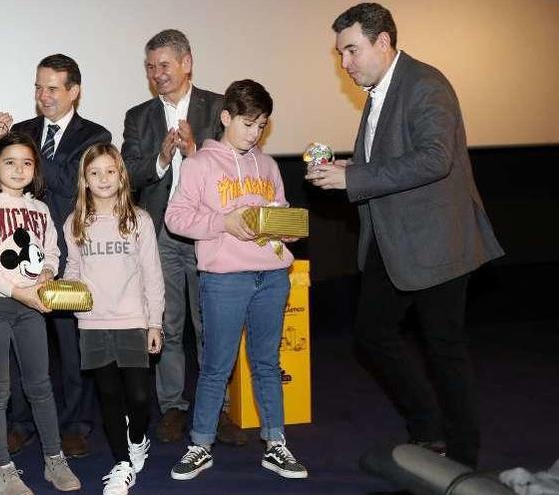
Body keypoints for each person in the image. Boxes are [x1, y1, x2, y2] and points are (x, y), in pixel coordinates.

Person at [307, 3, 504, 468]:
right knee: (372, 335)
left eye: (352, 51)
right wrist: (349, 168)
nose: (345, 63)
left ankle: (462, 460)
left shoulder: (425, 84)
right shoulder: (379, 90)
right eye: (340, 55)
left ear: (383, 42)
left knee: (444, 349)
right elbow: (392, 157)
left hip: (436, 241)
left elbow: (436, 159)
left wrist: (353, 180)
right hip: (391, 240)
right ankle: (428, 427)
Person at [164, 79, 309, 481]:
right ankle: (200, 445)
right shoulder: (200, 164)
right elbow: (175, 218)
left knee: (267, 363)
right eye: (248, 123)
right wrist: (222, 222)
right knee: (216, 366)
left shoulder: (268, 165)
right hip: (225, 279)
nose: (254, 132)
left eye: (261, 125)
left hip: (274, 275)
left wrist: (286, 226)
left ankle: (275, 443)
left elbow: (276, 213)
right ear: (225, 117)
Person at [122, 28, 245, 446]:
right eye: (150, 67)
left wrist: (194, 154)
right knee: (168, 326)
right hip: (161, 236)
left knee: (211, 326)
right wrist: (161, 156)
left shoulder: (218, 109)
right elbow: (128, 173)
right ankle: (173, 407)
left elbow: (236, 169)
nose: (157, 74)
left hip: (212, 234)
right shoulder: (139, 117)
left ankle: (219, 408)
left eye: (165, 65)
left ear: (187, 62)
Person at [0, 54, 111, 457]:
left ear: (74, 91)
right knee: (21, 341)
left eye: (52, 88)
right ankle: (20, 421)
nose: (43, 96)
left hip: (73, 253)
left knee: (73, 343)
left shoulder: (95, 136)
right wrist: (0, 149)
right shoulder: (22, 131)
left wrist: (22, 155)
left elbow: (67, 180)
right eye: (38, 87)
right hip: (21, 251)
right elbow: (0, 182)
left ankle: (75, 423)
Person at [0, 132, 81, 495]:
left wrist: (47, 272)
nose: (18, 169)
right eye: (9, 162)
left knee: (41, 386)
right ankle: (2, 469)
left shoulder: (40, 210)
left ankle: (54, 458)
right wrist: (19, 291)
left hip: (31, 308)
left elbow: (52, 252)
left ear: (36, 169)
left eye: (26, 163)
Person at [63, 143, 164, 495]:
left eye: (109, 171)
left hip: (133, 321)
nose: (103, 179)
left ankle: (136, 438)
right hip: (93, 323)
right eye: (94, 173)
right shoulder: (75, 222)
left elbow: (152, 274)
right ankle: (122, 464)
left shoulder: (140, 220)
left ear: (121, 175)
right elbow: (73, 269)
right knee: (108, 395)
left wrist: (155, 323)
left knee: (137, 397)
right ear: (85, 181)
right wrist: (63, 288)